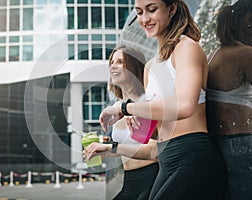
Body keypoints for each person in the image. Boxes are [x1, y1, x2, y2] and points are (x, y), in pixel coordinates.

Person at [96, 0, 226, 199]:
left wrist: (125, 107)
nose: (145, 19)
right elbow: (156, 133)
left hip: (191, 154)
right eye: (139, 12)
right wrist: (140, 122)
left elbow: (184, 106)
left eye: (152, 9)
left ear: (172, 8)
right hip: (166, 157)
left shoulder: (186, 48)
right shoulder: (150, 67)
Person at [85, 45, 159, 200]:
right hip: (129, 182)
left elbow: (154, 152)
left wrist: (112, 147)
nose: (113, 66)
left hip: (150, 180)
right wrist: (103, 152)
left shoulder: (145, 102)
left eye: (120, 62)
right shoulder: (119, 106)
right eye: (112, 62)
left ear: (134, 67)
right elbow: (125, 149)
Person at [206, 1, 252, 199]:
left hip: (219, 141)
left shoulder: (213, 55)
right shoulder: (244, 53)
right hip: (242, 140)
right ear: (247, 22)